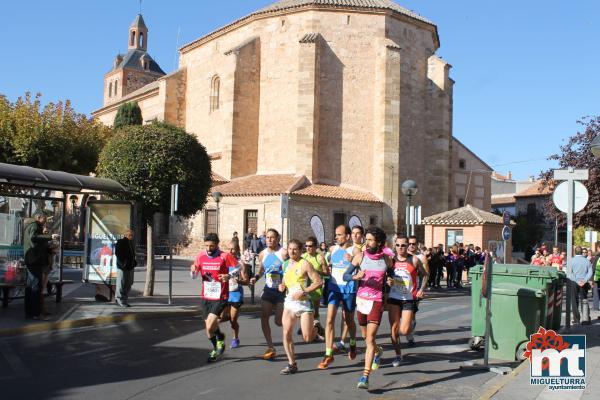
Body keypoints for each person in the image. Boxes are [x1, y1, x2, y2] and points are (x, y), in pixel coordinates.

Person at [345, 226, 393, 389]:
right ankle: (378, 351)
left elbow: (393, 276)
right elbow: (345, 275)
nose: (368, 242)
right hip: (362, 300)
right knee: (366, 338)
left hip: (377, 300)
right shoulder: (360, 257)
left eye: (371, 240)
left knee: (370, 338)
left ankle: (365, 377)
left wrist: (390, 282)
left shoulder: (386, 259)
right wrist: (354, 276)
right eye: (367, 239)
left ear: (379, 242)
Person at [190, 233, 238, 362]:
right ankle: (219, 340)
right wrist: (193, 271)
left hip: (220, 295)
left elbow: (239, 267)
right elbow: (194, 276)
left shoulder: (224, 256)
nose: (209, 249)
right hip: (206, 296)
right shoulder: (200, 256)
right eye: (206, 246)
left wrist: (229, 275)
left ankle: (216, 349)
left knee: (211, 325)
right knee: (208, 329)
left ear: (217, 245)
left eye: (211, 246)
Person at [279, 239, 323, 374]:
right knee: (286, 333)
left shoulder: (305, 264)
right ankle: (292, 364)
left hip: (304, 303)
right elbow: (284, 280)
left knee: (307, 338)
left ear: (300, 250)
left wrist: (304, 292)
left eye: (295, 249)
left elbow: (318, 282)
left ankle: (316, 328)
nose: (292, 251)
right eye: (290, 249)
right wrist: (282, 286)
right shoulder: (285, 264)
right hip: (290, 303)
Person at [318, 225, 358, 369]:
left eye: (339, 235)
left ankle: (352, 342)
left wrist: (353, 259)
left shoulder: (355, 250)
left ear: (347, 236)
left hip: (348, 289)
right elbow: (326, 265)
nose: (336, 237)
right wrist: (326, 268)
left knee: (349, 320)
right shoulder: (332, 250)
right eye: (336, 234)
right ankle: (328, 354)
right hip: (334, 288)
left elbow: (361, 266)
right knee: (329, 320)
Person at [388, 235, 428, 366]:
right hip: (394, 297)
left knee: (404, 331)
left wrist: (421, 289)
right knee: (393, 330)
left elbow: (425, 275)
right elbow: (385, 275)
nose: (400, 248)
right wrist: (387, 281)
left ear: (408, 246)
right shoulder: (391, 260)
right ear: (395, 245)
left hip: (408, 298)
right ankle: (398, 355)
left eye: (403, 245)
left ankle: (410, 324)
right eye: (398, 245)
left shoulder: (414, 260)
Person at [249, 228, 287, 360]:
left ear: (278, 239)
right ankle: (270, 346)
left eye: (272, 237)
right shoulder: (262, 254)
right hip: (269, 289)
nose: (269, 240)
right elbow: (262, 270)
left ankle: (291, 322)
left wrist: (286, 283)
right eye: (267, 237)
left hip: (282, 291)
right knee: (264, 316)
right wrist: (256, 277)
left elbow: (291, 269)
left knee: (278, 321)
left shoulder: (283, 253)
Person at [23, 211, 58, 320]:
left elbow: (36, 242)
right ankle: (34, 313)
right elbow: (34, 238)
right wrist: (49, 237)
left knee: (31, 286)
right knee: (35, 287)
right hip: (35, 261)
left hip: (32, 260)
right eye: (44, 219)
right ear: (39, 217)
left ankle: (30, 312)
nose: (45, 221)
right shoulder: (34, 226)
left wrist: (48, 246)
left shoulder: (32, 225)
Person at [336, 225, 365, 352]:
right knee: (345, 315)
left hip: (359, 286)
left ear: (362, 235)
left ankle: (356, 340)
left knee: (351, 317)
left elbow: (363, 266)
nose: (355, 235)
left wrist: (353, 259)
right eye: (353, 233)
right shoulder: (345, 247)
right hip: (344, 285)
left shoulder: (362, 248)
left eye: (358, 233)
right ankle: (343, 341)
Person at [220, 240, 248, 348]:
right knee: (220, 317)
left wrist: (238, 281)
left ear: (237, 250)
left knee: (233, 320)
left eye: (233, 249)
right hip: (225, 294)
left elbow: (246, 281)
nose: (230, 251)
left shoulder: (241, 264)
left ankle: (235, 338)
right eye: (229, 249)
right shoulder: (223, 263)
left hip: (236, 294)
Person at [301, 236, 328, 339]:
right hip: (305, 288)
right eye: (306, 246)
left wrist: (316, 272)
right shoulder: (303, 256)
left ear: (315, 246)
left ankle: (316, 328)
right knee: (304, 310)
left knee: (315, 312)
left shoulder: (320, 258)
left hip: (316, 288)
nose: (308, 248)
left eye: (310, 246)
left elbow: (327, 273)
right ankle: (314, 327)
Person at [569, 246, 594, 325]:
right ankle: (585, 318)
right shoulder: (587, 261)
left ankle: (576, 319)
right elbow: (590, 272)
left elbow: (569, 273)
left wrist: (576, 280)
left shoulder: (571, 261)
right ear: (581, 252)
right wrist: (585, 280)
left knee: (574, 300)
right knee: (584, 300)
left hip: (574, 282)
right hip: (584, 282)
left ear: (575, 252)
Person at [115, 229, 137, 308]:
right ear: (126, 235)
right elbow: (118, 254)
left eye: (132, 235)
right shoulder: (121, 242)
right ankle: (119, 299)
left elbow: (132, 255)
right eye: (130, 235)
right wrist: (123, 264)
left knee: (128, 284)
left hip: (130, 267)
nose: (132, 236)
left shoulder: (130, 243)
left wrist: (134, 262)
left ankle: (124, 300)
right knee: (121, 284)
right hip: (123, 268)